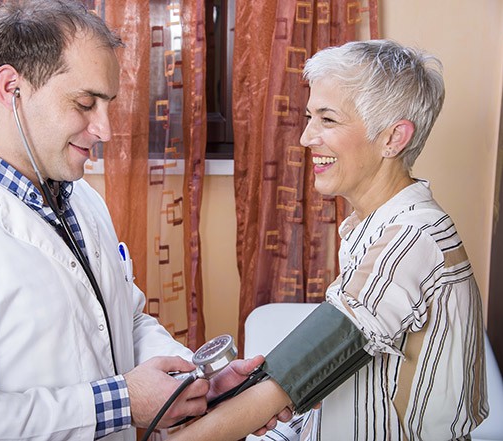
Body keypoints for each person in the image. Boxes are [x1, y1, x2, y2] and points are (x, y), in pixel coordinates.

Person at [0, 1, 265, 440]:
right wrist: (123, 402)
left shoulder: (82, 201)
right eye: (85, 103)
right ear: (11, 86)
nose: (105, 129)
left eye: (107, 104)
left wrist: (193, 382)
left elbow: (122, 321)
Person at [166, 39, 489, 441]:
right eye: (308, 117)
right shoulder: (368, 225)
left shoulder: (410, 239)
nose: (305, 137)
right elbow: (327, 375)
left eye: (327, 120)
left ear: (393, 139)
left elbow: (288, 380)